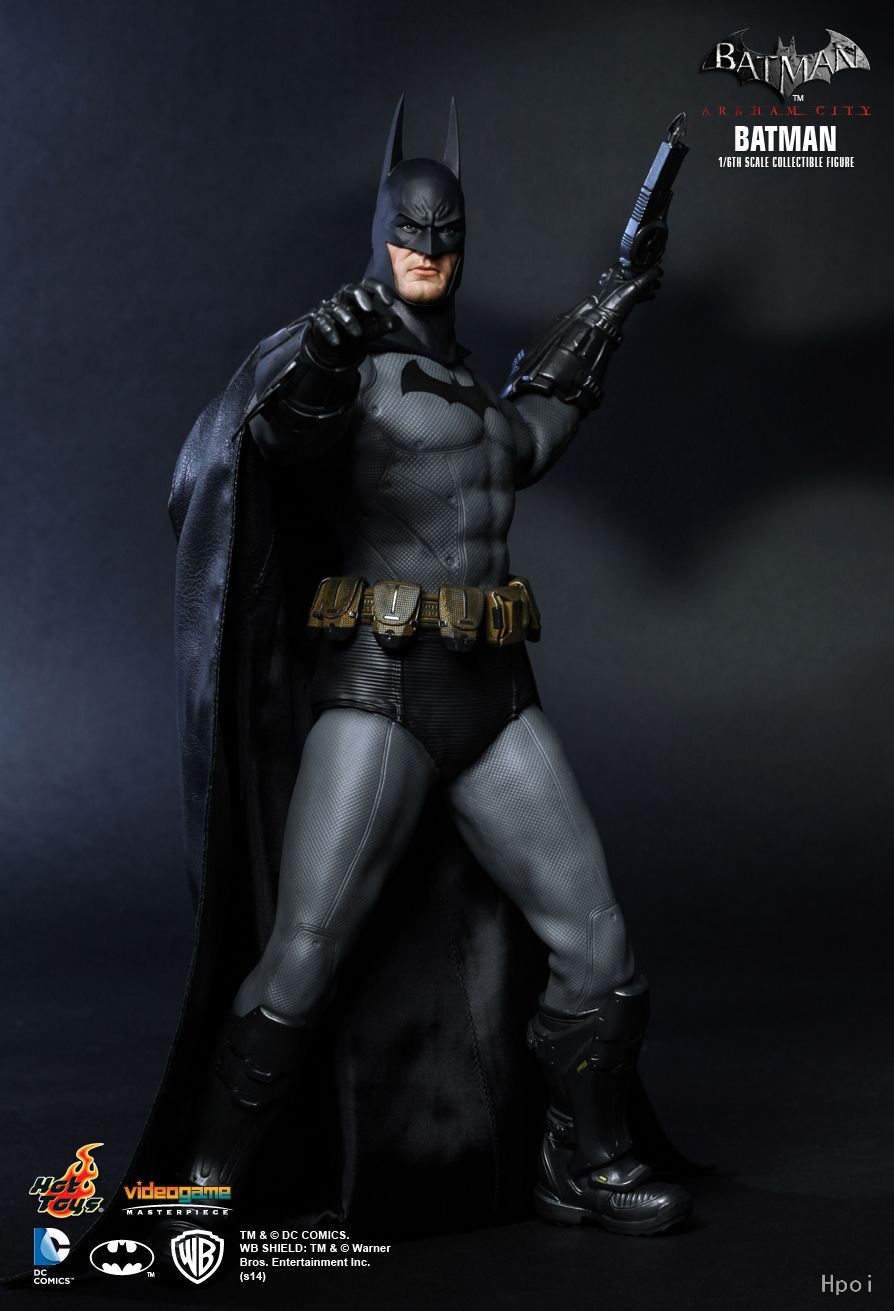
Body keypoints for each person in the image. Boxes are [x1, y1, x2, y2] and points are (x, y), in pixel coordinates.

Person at [176, 97, 692, 1236]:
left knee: (598, 939)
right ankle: (199, 1185)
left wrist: (616, 292)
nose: (427, 248)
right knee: (304, 954)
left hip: (494, 696)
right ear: (380, 233)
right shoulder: (347, 360)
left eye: (445, 232)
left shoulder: (475, 397)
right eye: (408, 231)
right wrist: (322, 356)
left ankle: (585, 1160)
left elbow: (539, 424)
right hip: (383, 688)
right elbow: (281, 438)